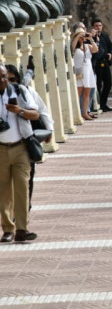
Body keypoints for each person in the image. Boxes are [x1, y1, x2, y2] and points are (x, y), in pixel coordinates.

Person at [5, 64, 52, 218]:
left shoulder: (24, 91)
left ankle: (22, 213)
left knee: (26, 179)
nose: (9, 82)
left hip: (25, 143)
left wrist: (49, 129)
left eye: (12, 79)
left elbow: (41, 111)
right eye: (6, 79)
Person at [0, 64, 40, 243]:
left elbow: (36, 114)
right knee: (4, 192)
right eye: (1, 77)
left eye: (5, 77)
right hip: (1, 149)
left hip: (20, 147)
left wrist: (19, 111)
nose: (3, 80)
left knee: (22, 187)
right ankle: (8, 229)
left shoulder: (19, 91)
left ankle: (22, 229)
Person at [71, 28, 99, 120]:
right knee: (78, 92)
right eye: (81, 36)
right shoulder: (75, 46)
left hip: (88, 70)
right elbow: (72, 47)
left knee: (87, 92)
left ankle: (85, 113)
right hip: (79, 71)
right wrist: (78, 36)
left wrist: (91, 39)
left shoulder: (87, 46)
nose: (83, 37)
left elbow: (95, 49)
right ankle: (77, 113)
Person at [89, 18, 112, 112]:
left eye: (100, 26)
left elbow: (110, 47)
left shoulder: (105, 36)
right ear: (92, 27)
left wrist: (110, 54)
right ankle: (98, 104)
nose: (98, 28)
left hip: (105, 62)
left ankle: (104, 103)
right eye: (96, 26)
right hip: (97, 64)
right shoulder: (91, 38)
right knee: (98, 84)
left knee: (108, 83)